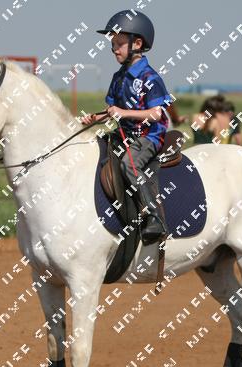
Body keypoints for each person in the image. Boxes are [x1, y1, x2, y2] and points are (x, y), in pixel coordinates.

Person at [81, 10, 172, 244]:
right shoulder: (118, 77)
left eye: (119, 44)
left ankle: (154, 217)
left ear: (137, 43)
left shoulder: (151, 78)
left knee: (129, 165)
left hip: (149, 135)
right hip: (125, 133)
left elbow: (156, 113)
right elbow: (111, 111)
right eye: (112, 45)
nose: (114, 49)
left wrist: (124, 113)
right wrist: (96, 118)